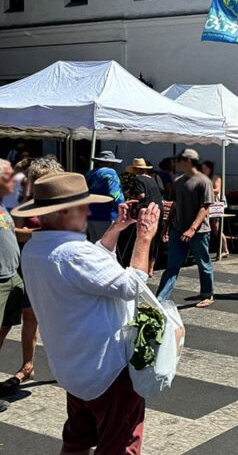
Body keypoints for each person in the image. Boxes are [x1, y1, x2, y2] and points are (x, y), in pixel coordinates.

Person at [15, 172, 160, 454]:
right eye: (83, 205)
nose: (88, 211)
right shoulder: (73, 253)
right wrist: (144, 237)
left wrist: (116, 228)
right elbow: (132, 286)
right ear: (64, 211)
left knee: (77, 440)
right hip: (107, 370)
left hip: (73, 367)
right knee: (119, 444)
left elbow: (88, 270)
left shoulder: (34, 247)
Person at [156, 149, 216, 308]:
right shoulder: (178, 181)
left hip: (199, 232)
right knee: (172, 266)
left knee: (203, 263)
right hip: (178, 229)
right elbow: (174, 205)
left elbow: (205, 207)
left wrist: (192, 229)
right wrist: (166, 227)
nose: (177, 163)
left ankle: (207, 294)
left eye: (180, 160)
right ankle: (161, 299)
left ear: (188, 161)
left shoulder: (204, 181)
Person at [0, 159, 33, 400]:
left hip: (12, 276)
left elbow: (11, 233)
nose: (14, 180)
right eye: (9, 176)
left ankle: (27, 367)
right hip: (1, 279)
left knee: (4, 329)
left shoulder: (2, 207)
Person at [126, 158, 165, 276]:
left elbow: (141, 195)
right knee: (155, 239)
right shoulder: (152, 179)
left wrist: (130, 195)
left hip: (147, 210)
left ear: (136, 169)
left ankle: (141, 267)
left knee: (143, 238)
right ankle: (151, 268)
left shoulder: (138, 179)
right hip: (158, 209)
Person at [85, 150, 125, 242]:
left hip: (89, 214)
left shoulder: (89, 173)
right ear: (112, 163)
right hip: (105, 214)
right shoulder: (111, 173)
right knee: (106, 245)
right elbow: (115, 194)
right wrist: (122, 208)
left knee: (94, 244)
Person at [200, 160, 229, 257]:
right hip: (207, 203)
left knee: (216, 228)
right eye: (202, 168)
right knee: (207, 226)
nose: (203, 170)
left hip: (216, 204)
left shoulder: (216, 178)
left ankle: (225, 249)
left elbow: (217, 190)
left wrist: (205, 189)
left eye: (205, 168)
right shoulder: (202, 178)